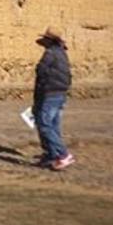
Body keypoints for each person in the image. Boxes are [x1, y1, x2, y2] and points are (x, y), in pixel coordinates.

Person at [33, 27, 74, 170]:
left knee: (44, 124)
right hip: (60, 93)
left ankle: (63, 154)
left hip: (50, 93)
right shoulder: (62, 53)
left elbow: (41, 71)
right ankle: (51, 155)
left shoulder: (50, 54)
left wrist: (39, 93)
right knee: (53, 125)